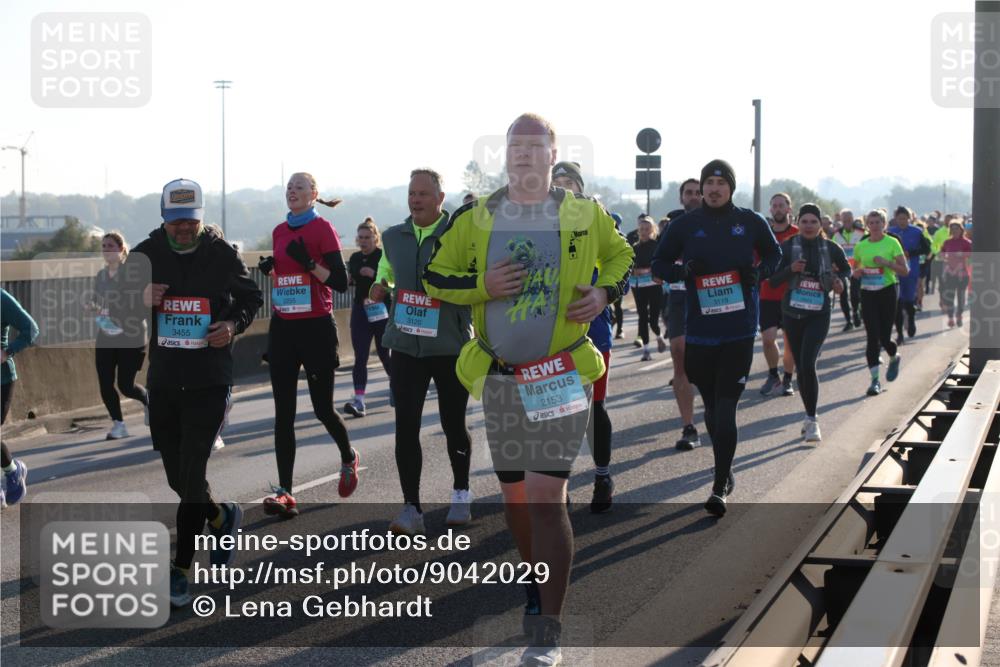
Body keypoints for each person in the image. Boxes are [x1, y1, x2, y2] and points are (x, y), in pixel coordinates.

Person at [424, 113, 633, 666]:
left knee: (546, 497)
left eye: (535, 149)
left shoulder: (586, 214)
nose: (524, 157)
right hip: (499, 375)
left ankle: (548, 629)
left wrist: (606, 292)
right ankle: (536, 586)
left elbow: (624, 254)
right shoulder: (476, 216)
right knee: (516, 498)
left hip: (560, 374)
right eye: (515, 148)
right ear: (506, 156)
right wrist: (480, 287)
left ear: (551, 156)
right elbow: (433, 276)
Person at [133, 178, 263, 606]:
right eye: (175, 222)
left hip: (209, 378)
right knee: (177, 474)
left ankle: (181, 568)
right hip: (166, 379)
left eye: (190, 221)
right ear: (163, 219)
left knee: (191, 473)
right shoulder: (146, 254)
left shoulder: (221, 253)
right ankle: (220, 515)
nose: (183, 229)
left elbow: (249, 299)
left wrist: (231, 326)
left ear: (201, 218)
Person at [652, 159, 781, 517]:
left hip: (739, 330)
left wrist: (759, 272)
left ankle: (720, 482)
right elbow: (659, 264)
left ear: (730, 189)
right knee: (711, 408)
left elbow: (775, 253)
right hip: (701, 333)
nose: (713, 189)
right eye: (708, 182)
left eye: (720, 183)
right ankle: (723, 466)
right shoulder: (685, 225)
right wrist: (681, 271)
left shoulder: (750, 221)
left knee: (726, 408)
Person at [369, 168, 474, 534]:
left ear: (440, 199)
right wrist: (381, 285)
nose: (415, 200)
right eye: (412, 194)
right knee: (405, 426)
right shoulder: (395, 236)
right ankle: (411, 508)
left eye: (423, 194)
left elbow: (475, 279)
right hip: (406, 344)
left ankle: (461, 492)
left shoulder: (458, 235)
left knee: (452, 424)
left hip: (448, 344)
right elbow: (387, 270)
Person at [256, 172, 359, 518]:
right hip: (284, 326)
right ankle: (285, 492)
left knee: (321, 409)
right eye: (288, 187)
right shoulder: (279, 232)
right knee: (283, 414)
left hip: (316, 328)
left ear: (314, 194)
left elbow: (342, 283)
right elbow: (289, 279)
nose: (292, 191)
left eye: (299, 187)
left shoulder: (322, 229)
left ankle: (348, 456)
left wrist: (310, 264)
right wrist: (272, 270)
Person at [551, 160, 618, 513]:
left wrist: (603, 291)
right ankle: (557, 486)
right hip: (550, 332)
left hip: (593, 330)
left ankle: (603, 475)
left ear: (579, 187)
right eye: (556, 181)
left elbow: (620, 261)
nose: (562, 186)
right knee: (555, 412)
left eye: (568, 181)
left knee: (594, 408)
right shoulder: (536, 222)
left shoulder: (596, 218)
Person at [767, 204, 851, 442]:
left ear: (820, 224)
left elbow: (845, 270)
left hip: (819, 313)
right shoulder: (787, 247)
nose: (809, 226)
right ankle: (808, 416)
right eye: (804, 221)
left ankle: (812, 420)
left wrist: (839, 281)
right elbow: (772, 281)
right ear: (798, 222)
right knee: (801, 366)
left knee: (807, 362)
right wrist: (790, 270)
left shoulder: (831, 247)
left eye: (813, 221)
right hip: (792, 313)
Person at [87, 231, 150, 440]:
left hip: (131, 335)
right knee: (105, 382)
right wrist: (93, 306)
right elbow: (97, 300)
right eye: (104, 246)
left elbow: (141, 304)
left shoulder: (131, 274)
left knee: (126, 385)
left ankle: (148, 400)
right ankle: (118, 424)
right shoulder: (101, 276)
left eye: (111, 246)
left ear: (122, 249)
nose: (106, 250)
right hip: (106, 333)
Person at [663, 178, 703, 451]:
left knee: (708, 362)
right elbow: (658, 260)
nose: (694, 196)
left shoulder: (716, 224)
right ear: (681, 197)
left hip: (709, 298)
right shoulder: (672, 226)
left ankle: (715, 412)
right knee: (679, 353)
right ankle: (689, 427)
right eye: (689, 192)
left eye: (698, 192)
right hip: (678, 298)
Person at [852, 209, 909, 396]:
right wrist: (858, 272)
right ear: (867, 225)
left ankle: (894, 356)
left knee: (884, 337)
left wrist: (886, 262)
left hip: (887, 290)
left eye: (878, 222)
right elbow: (856, 267)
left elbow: (904, 270)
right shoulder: (861, 245)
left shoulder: (892, 242)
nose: (875, 226)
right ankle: (874, 381)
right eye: (871, 223)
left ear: (884, 224)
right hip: (868, 292)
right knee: (872, 336)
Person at [344, 217, 392, 417]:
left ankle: (398, 386)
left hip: (381, 310)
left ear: (376, 238)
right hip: (361, 311)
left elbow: (392, 283)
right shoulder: (354, 258)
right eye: (360, 237)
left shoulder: (383, 256)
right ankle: (359, 401)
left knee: (384, 353)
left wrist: (373, 274)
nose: (363, 241)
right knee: (360, 356)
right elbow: (350, 280)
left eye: (367, 237)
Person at [1, 288, 38, 507]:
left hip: (1, 380)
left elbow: (30, 329)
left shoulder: (1, 299)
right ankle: (13, 470)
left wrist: (7, 351)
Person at [758, 193, 799, 397]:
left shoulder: (798, 234)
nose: (778, 209)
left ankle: (788, 379)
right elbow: (755, 262)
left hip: (793, 296)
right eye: (774, 206)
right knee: (767, 339)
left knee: (790, 342)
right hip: (767, 295)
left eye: (782, 205)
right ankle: (773, 375)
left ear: (789, 209)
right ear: (770, 209)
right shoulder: (764, 234)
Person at [888, 206, 930, 345]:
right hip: (894, 271)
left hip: (911, 270)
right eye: (899, 219)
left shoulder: (917, 232)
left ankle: (911, 319)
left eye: (905, 219)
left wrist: (911, 253)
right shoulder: (890, 233)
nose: (902, 221)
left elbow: (926, 248)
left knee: (908, 300)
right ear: (896, 219)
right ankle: (899, 333)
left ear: (909, 218)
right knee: (897, 303)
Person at [631, 216, 667, 361]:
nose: (644, 232)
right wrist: (634, 270)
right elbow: (629, 266)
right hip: (638, 285)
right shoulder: (634, 248)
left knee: (653, 319)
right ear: (638, 231)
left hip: (654, 284)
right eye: (642, 229)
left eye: (647, 229)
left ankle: (658, 336)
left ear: (652, 230)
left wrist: (650, 270)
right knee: (642, 317)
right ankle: (646, 351)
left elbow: (661, 263)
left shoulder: (656, 245)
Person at [833, 211, 865, 331]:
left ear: (853, 219)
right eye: (844, 220)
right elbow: (832, 250)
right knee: (843, 295)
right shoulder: (836, 235)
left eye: (849, 220)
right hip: (842, 269)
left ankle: (856, 311)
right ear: (841, 220)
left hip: (857, 268)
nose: (847, 223)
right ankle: (848, 321)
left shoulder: (861, 233)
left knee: (856, 294)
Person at [939, 220, 972, 328]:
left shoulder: (967, 242)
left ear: (961, 230)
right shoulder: (947, 242)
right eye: (952, 229)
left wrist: (962, 254)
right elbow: (941, 253)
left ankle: (959, 315)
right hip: (950, 273)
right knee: (950, 296)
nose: (954, 231)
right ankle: (950, 318)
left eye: (956, 229)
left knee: (961, 296)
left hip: (963, 273)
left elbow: (972, 254)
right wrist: (944, 257)